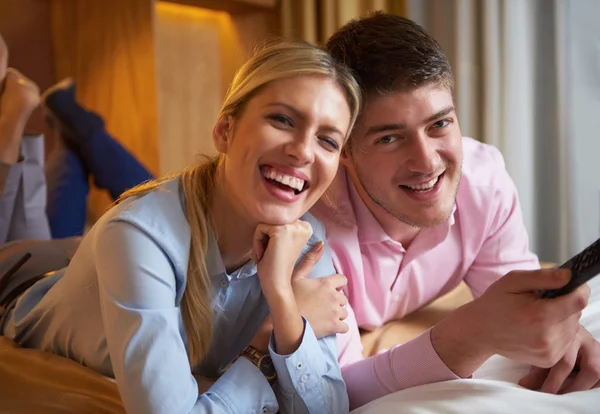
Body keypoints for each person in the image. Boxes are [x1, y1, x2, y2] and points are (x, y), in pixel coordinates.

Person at [0, 40, 361, 414]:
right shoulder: (138, 235)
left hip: (94, 263)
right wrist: (264, 349)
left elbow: (329, 409)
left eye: (327, 140)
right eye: (282, 119)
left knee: (80, 211)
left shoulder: (306, 241)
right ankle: (17, 129)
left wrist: (285, 308)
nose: (303, 151)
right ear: (224, 130)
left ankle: (72, 135)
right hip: (18, 281)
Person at [311, 12, 599, 409]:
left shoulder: (483, 182)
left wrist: (558, 329)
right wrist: (467, 336)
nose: (427, 162)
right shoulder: (307, 223)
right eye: (390, 138)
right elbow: (331, 391)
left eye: (439, 124)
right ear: (342, 148)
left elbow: (515, 295)